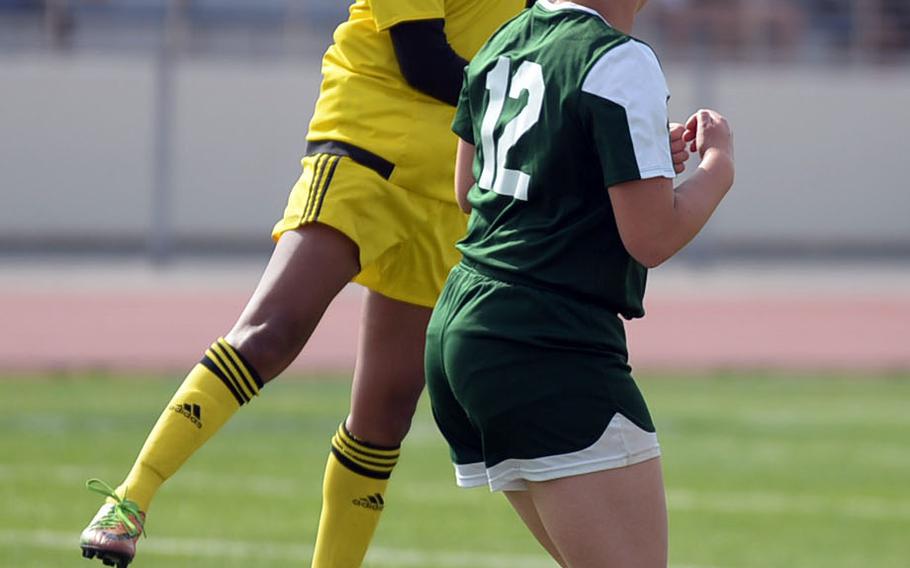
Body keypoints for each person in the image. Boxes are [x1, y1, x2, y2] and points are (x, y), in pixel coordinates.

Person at [78, 1, 527, 567]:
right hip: (370, 149)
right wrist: (544, 110)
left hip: (449, 187)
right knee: (273, 331)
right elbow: (422, 60)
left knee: (386, 411)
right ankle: (128, 500)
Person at [424, 1, 735, 567]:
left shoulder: (506, 38)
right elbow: (653, 237)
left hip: (465, 325)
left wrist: (619, 158)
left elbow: (470, 190)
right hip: (544, 338)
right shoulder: (619, 58)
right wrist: (719, 168)